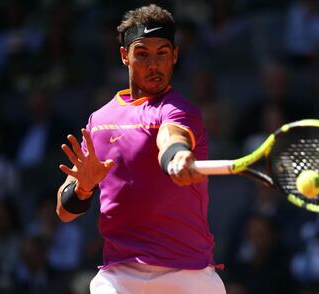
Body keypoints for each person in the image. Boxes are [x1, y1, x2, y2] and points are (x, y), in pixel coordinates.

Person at [55, 4, 226, 294]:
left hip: (188, 274)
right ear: (125, 56)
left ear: (174, 55)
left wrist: (177, 155)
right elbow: (64, 211)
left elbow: (171, 138)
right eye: (142, 53)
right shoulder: (99, 121)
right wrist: (82, 188)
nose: (154, 64)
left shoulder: (180, 111)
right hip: (120, 277)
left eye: (162, 53)